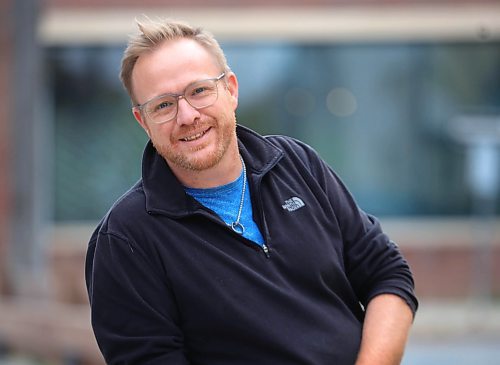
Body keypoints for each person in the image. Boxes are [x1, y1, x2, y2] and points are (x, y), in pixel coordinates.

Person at [85, 17, 418, 365]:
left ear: (230, 90)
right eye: (163, 105)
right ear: (143, 121)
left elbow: (386, 273)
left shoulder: (298, 164)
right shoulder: (125, 240)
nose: (186, 115)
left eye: (199, 90)